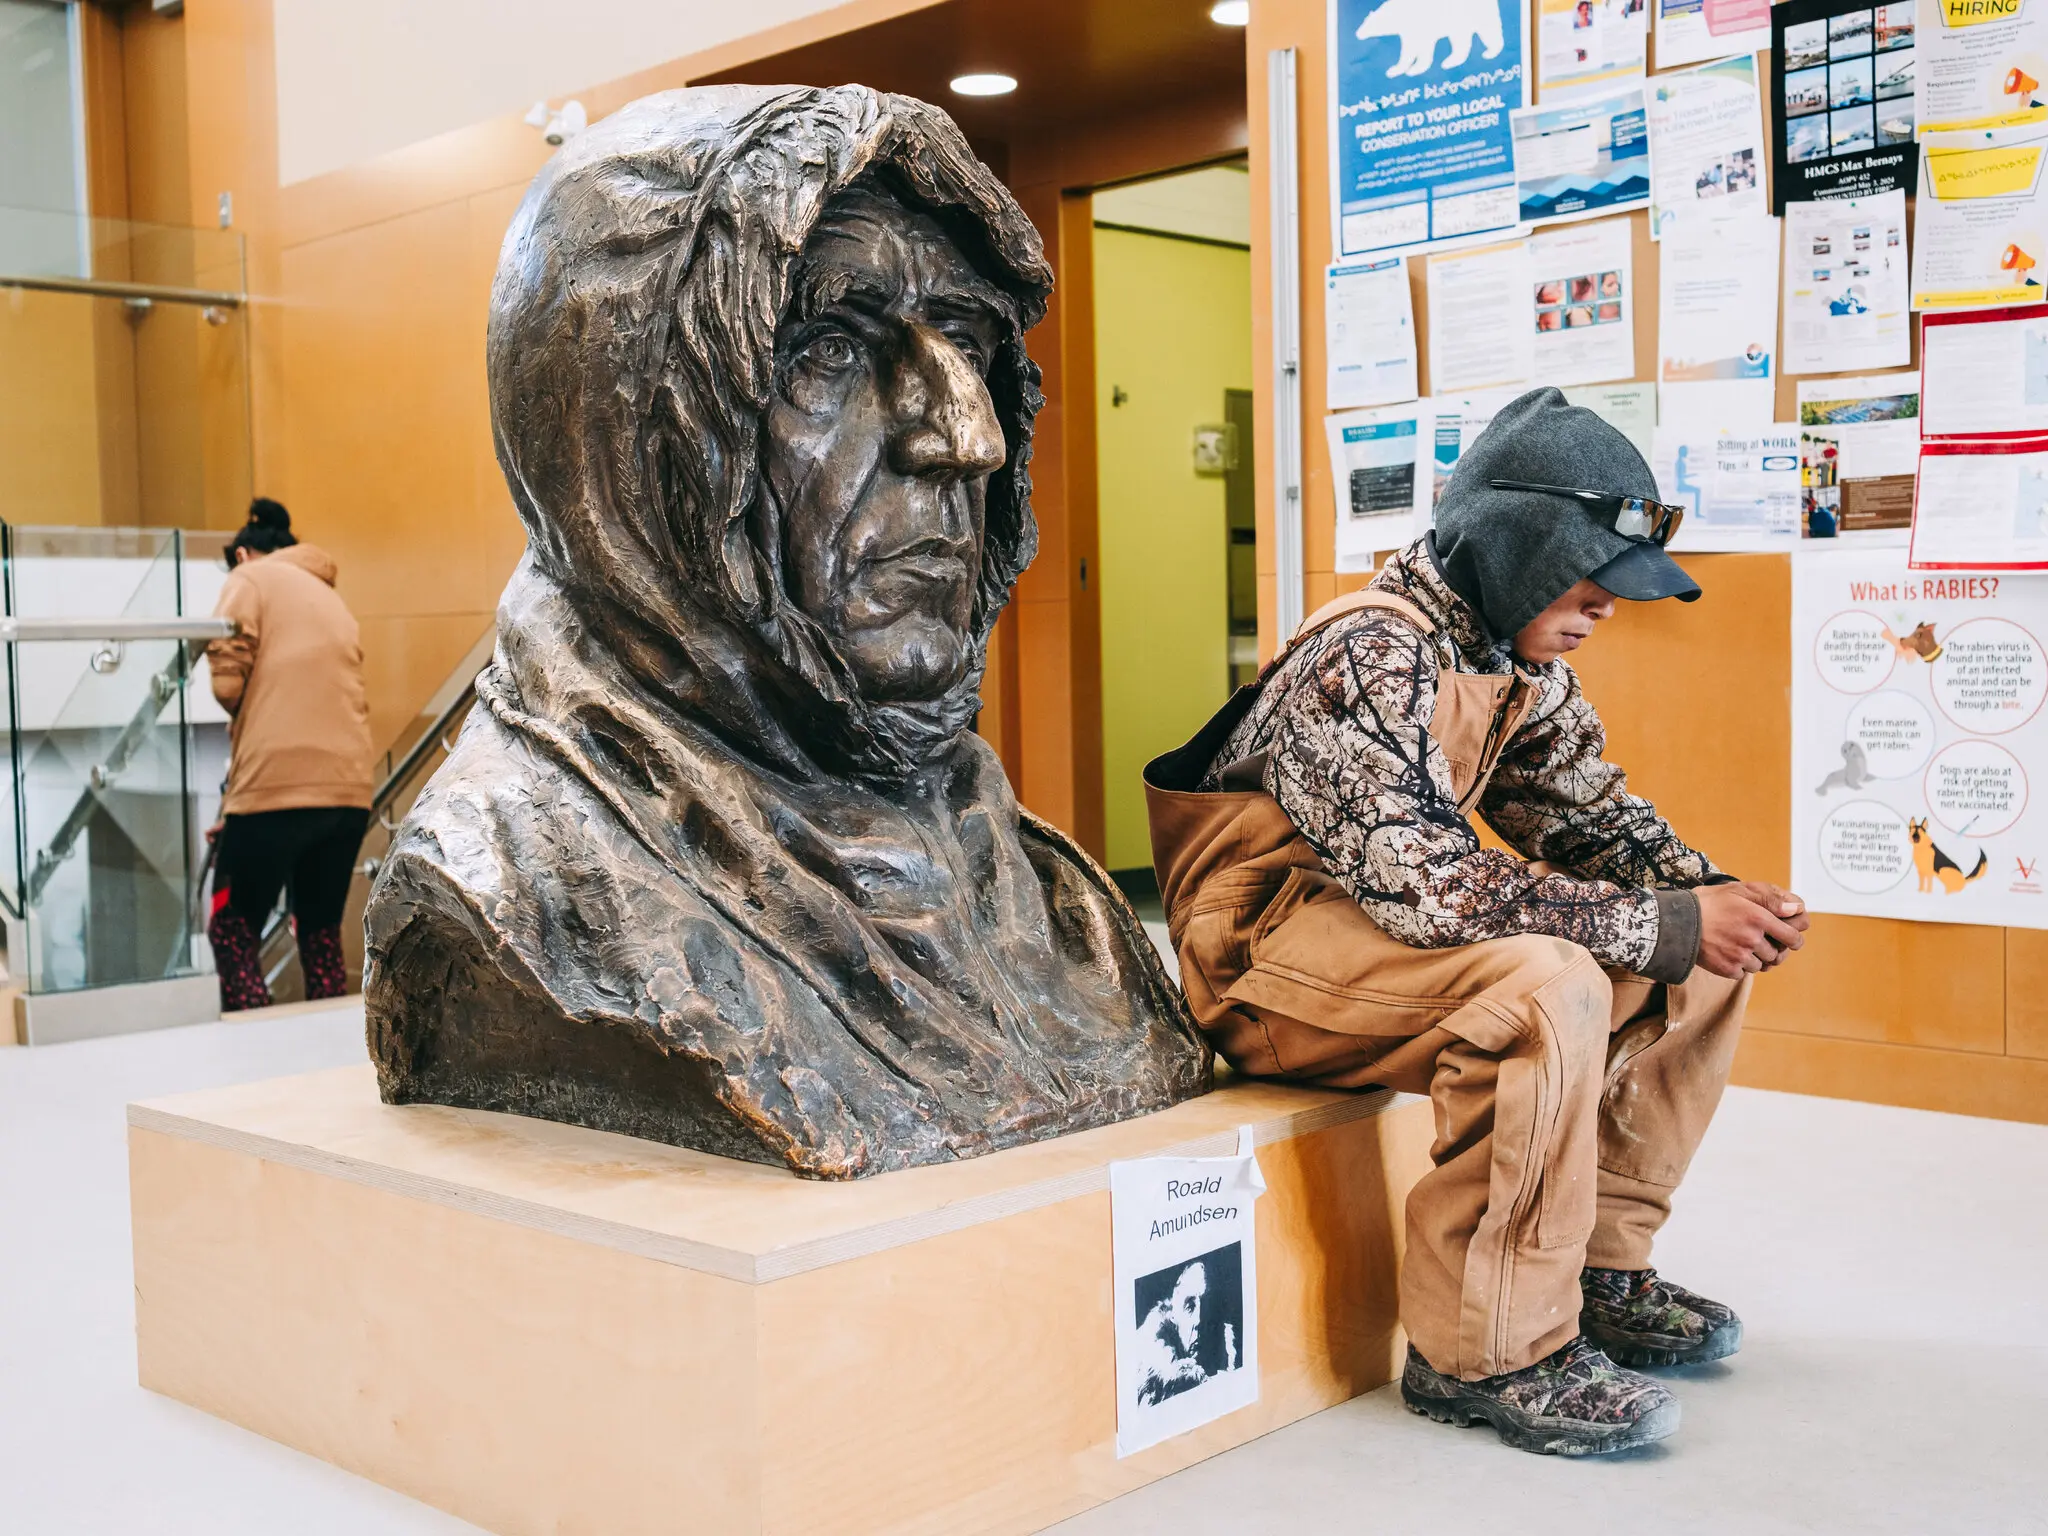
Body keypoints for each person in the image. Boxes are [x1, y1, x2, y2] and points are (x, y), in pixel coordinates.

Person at [1145, 388, 1810, 1457]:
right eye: (1591, 573)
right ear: (1516, 543)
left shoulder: (1514, 662)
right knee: (1546, 985)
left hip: (1376, 940)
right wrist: (1668, 920)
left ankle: (1599, 1271)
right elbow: (1426, 888)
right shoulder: (1367, 650)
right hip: (1263, 962)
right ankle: (1487, 1351)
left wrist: (1720, 900)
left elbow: (1591, 823)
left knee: (1696, 961)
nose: (1607, 604)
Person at [204, 498, 374, 1011]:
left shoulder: (249, 580)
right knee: (319, 932)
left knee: (231, 929)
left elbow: (228, 682)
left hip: (276, 786)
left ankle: (251, 1044)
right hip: (348, 792)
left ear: (241, 555)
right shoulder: (329, 597)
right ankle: (326, 1043)